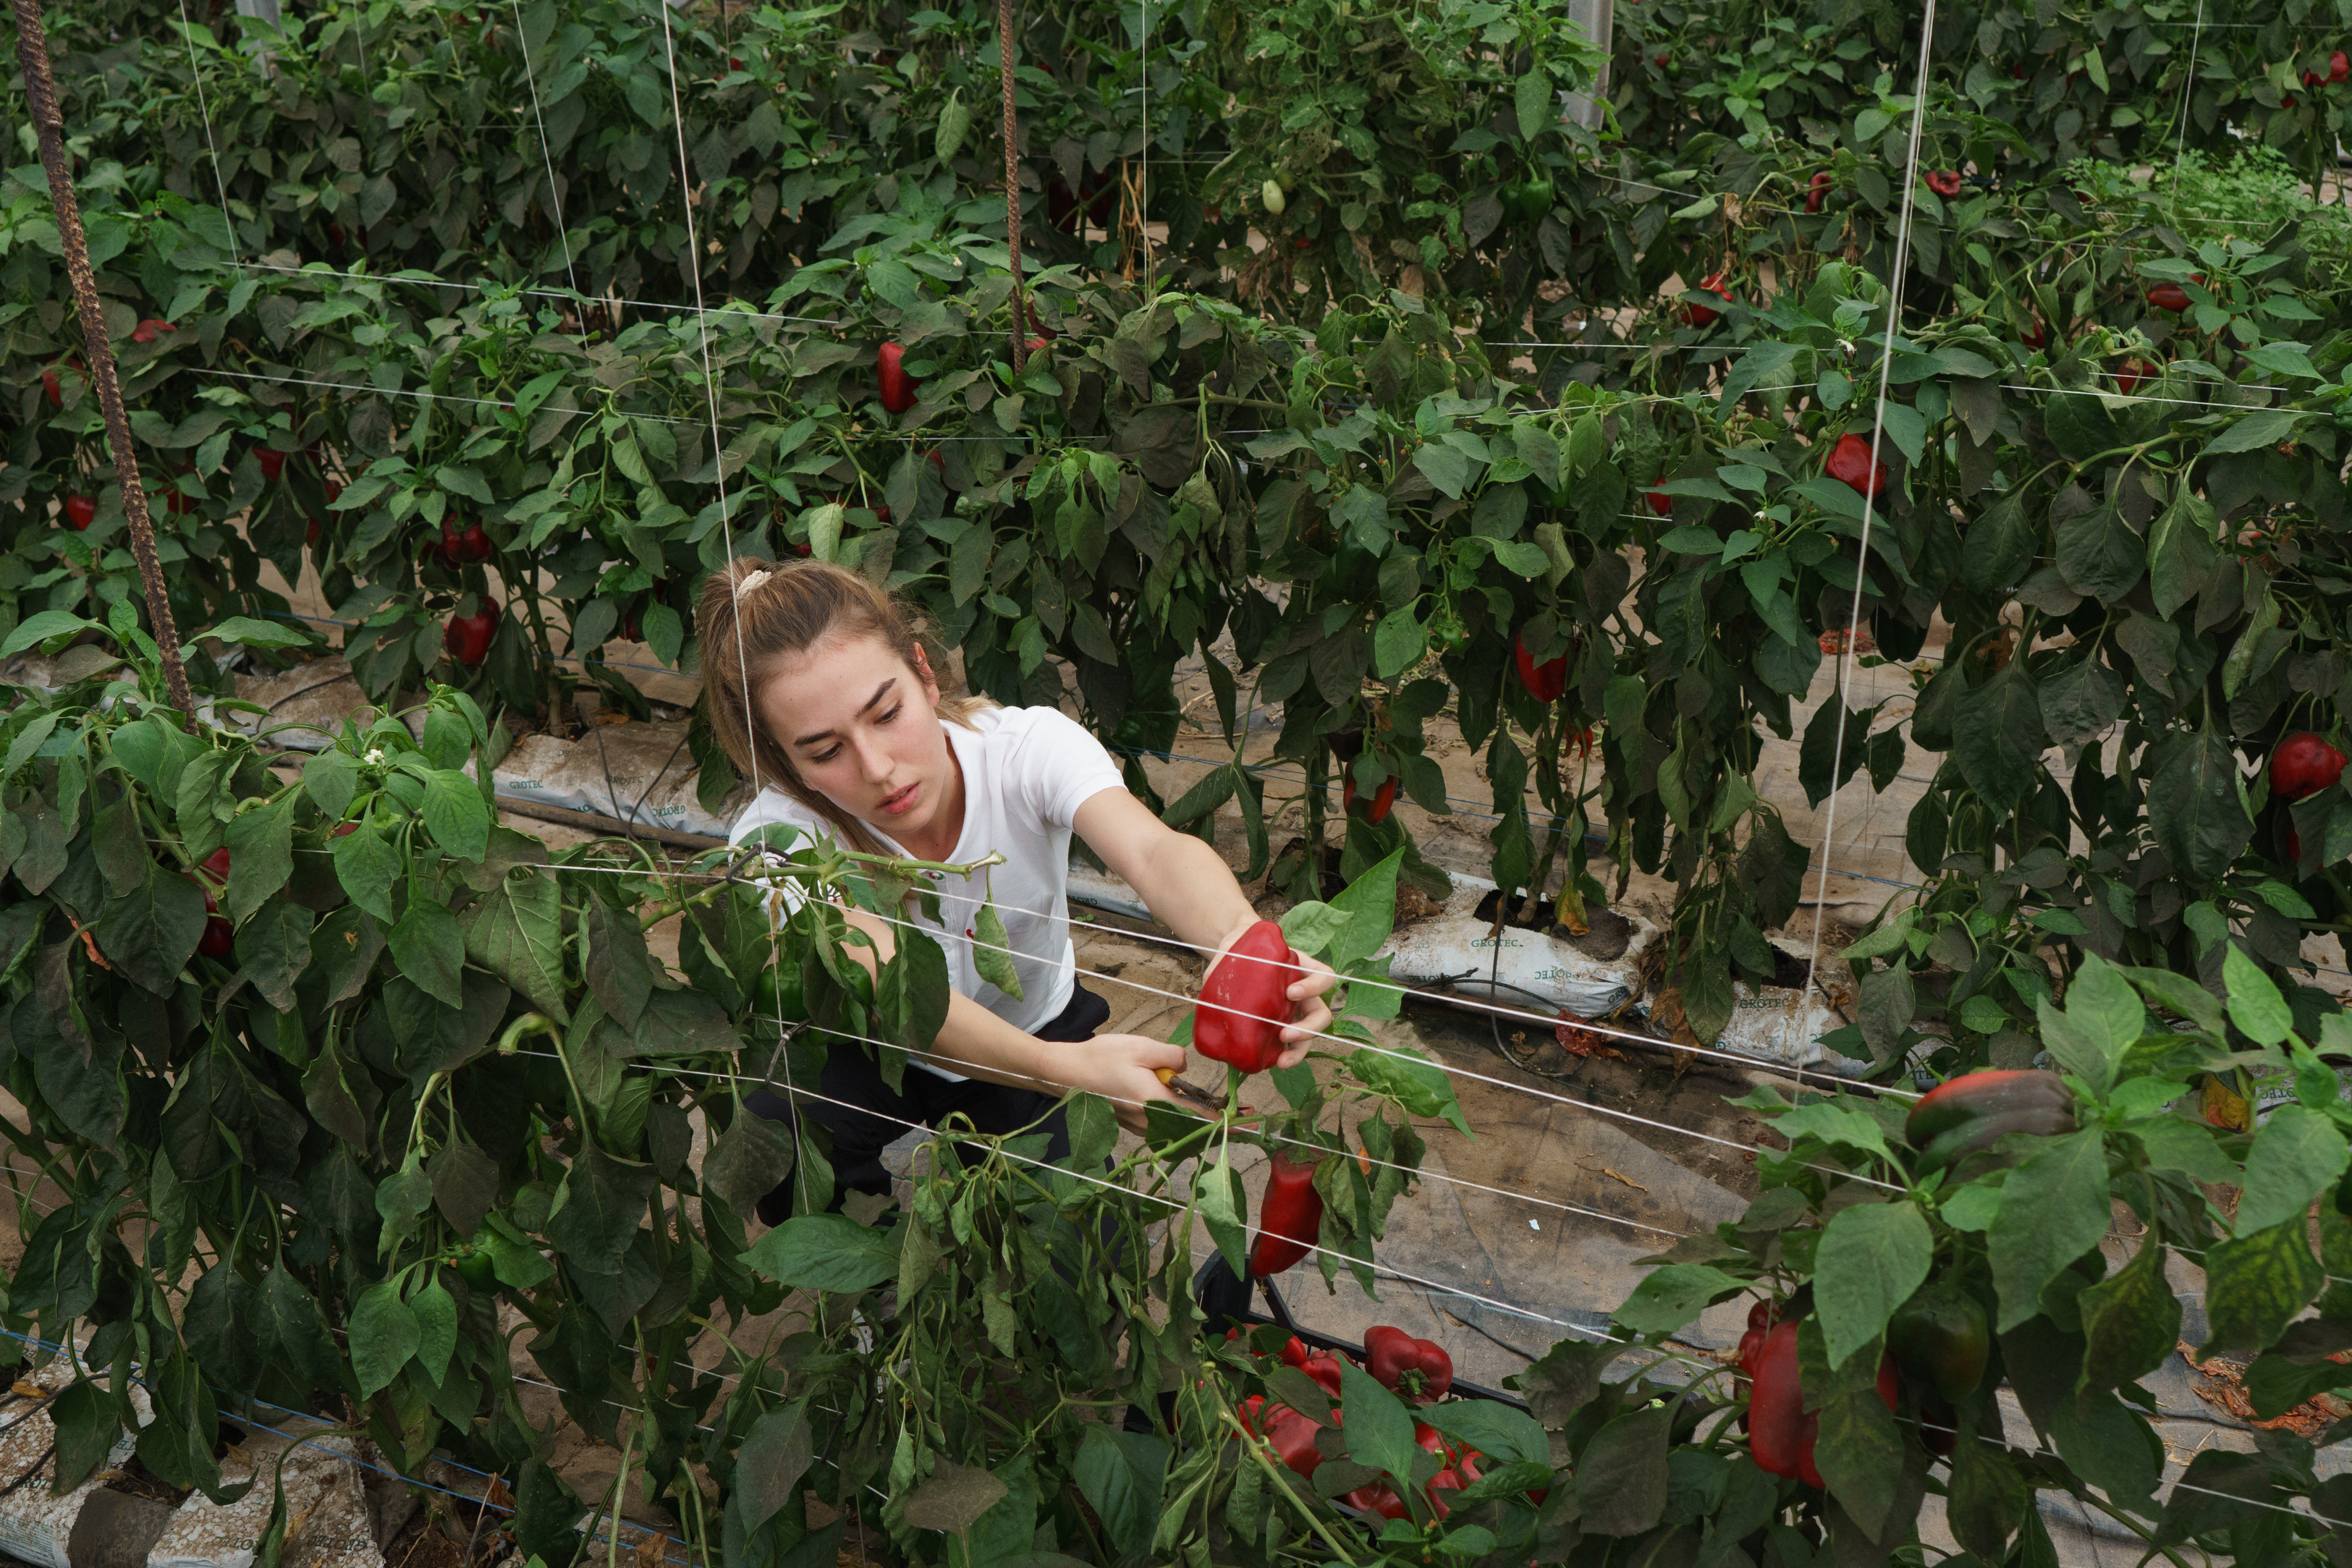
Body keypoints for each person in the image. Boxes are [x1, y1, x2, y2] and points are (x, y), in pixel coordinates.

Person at [696, 558, 1336, 1223]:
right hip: (873, 1045)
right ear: (782, 762)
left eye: (886, 713)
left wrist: (1245, 946)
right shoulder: (778, 844)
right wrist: (1072, 1071)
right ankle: (870, 1258)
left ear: (924, 672)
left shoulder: (1022, 751)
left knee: (1078, 1255)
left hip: (1030, 1025)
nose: (879, 768)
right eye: (825, 752)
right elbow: (897, 994)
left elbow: (1153, 850)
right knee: (780, 1141)